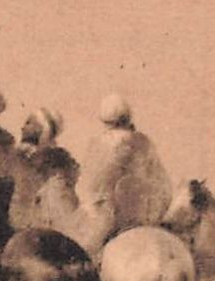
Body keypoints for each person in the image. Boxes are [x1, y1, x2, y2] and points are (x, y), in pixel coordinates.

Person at [72, 94, 173, 255]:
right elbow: (162, 184)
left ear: (104, 120)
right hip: (144, 219)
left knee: (79, 254)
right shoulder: (144, 142)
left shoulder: (98, 144)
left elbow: (86, 187)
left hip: (107, 220)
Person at [16, 107, 80, 231]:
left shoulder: (54, 160)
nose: (22, 127)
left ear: (41, 129)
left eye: (29, 123)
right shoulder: (19, 155)